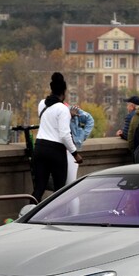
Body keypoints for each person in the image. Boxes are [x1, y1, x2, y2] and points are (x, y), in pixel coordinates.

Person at [32, 72, 82, 202]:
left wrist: (67, 115)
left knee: (39, 187)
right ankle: (56, 216)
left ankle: (28, 211)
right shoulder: (62, 109)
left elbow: (50, 120)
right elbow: (64, 135)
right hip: (55, 151)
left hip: (39, 148)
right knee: (60, 190)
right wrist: (75, 153)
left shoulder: (42, 104)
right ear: (63, 92)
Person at [66, 104, 94, 185]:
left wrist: (81, 136)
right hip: (56, 150)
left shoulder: (69, 108)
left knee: (70, 184)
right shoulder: (48, 108)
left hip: (70, 151)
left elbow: (90, 119)